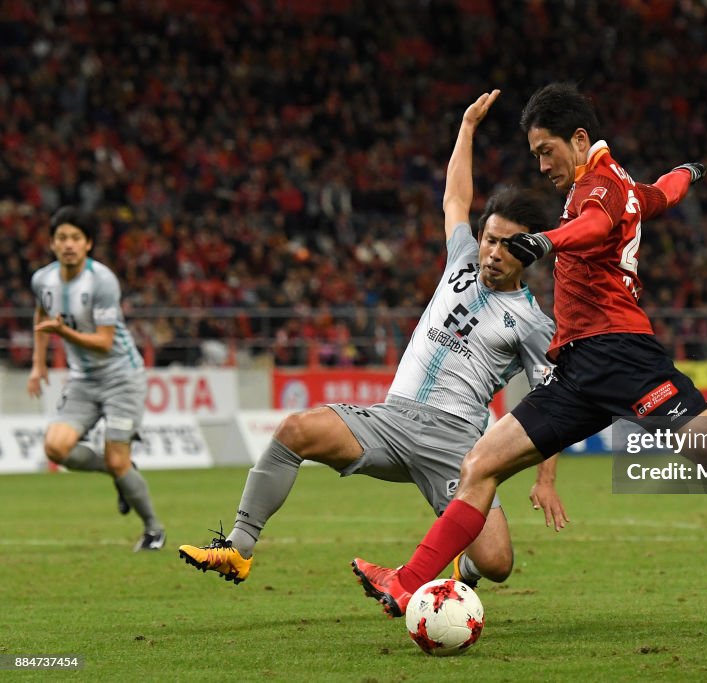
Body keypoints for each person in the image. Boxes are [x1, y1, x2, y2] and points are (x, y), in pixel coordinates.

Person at [352, 82, 707, 617]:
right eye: (534, 155)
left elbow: (595, 225)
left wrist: (545, 240)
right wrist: (687, 173)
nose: (541, 166)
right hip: (576, 369)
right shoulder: (619, 184)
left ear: (577, 139)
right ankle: (406, 585)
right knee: (480, 465)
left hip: (623, 357)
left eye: (545, 151)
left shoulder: (598, 185)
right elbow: (662, 194)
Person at [178, 90, 567, 588]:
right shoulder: (461, 259)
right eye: (489, 238)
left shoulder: (533, 323)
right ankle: (238, 547)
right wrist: (466, 129)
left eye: (506, 244)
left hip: (457, 445)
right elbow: (454, 198)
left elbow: (553, 401)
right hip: (390, 419)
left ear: (529, 251)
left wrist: (546, 478)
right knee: (295, 430)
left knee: (496, 564)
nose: (491, 251)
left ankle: (449, 583)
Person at [28, 206, 165, 552]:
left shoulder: (102, 281)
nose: (68, 244)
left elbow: (104, 342)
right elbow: (42, 313)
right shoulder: (42, 279)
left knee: (117, 458)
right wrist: (38, 363)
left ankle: (153, 530)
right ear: (52, 244)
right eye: (62, 238)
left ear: (88, 244)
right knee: (55, 448)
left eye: (76, 238)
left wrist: (62, 331)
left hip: (122, 377)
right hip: (83, 381)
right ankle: (120, 472)